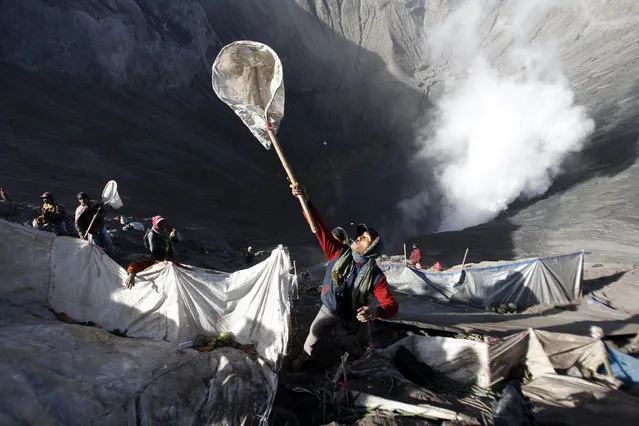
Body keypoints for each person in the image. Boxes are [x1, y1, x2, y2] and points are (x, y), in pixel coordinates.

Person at [290, 184, 398, 369]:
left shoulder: (375, 276)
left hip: (354, 314)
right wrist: (306, 201)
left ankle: (361, 355)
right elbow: (319, 228)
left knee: (362, 341)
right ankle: (303, 358)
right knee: (314, 334)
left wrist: (375, 312)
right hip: (330, 308)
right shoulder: (338, 252)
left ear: (371, 249)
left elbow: (391, 304)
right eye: (360, 236)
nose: (358, 238)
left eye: (365, 239)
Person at [125, 215, 181, 289]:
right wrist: (131, 274)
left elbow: (177, 240)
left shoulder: (164, 233)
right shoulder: (152, 235)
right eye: (160, 223)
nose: (162, 225)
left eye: (163, 222)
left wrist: (174, 235)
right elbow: (134, 265)